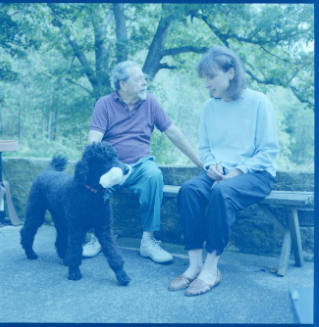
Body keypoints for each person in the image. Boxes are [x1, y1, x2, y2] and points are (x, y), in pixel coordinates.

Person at [168, 45, 279, 296]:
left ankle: (211, 268)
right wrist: (211, 166)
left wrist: (237, 172)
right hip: (220, 174)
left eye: (211, 76)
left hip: (255, 174)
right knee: (188, 190)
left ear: (230, 73)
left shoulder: (259, 102)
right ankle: (194, 265)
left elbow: (268, 151)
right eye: (204, 78)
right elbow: (205, 148)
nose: (207, 84)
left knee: (222, 193)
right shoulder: (210, 107)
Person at [83, 60, 203, 264]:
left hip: (140, 166)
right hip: (112, 165)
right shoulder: (104, 104)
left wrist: (200, 163)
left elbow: (173, 132)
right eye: (138, 79)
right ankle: (98, 237)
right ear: (123, 84)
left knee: (154, 175)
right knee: (94, 183)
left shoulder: (151, 103)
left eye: (144, 78)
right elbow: (94, 139)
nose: (144, 82)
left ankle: (148, 241)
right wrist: (94, 167)